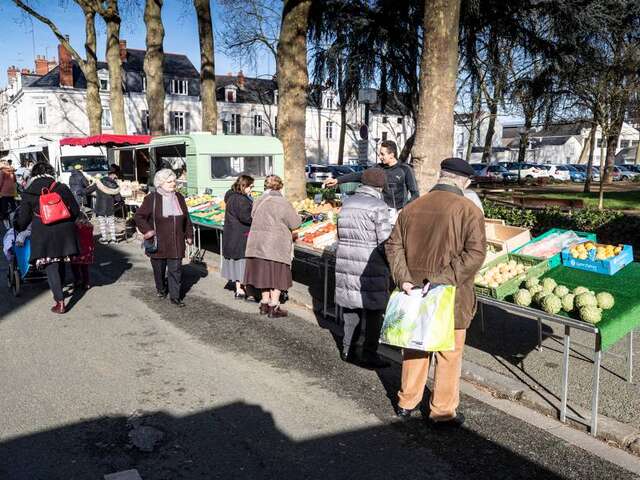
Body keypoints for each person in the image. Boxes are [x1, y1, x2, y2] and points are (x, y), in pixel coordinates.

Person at [385, 157, 486, 427]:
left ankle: (406, 403)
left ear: (441, 176)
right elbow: (475, 254)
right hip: (450, 295)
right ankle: (441, 411)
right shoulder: (468, 210)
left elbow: (392, 246)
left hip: (413, 293)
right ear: (463, 181)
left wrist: (404, 279)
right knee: (448, 353)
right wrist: (442, 280)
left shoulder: (411, 207)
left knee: (416, 347)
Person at [334, 168, 392, 369]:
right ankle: (369, 353)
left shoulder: (347, 204)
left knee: (351, 309)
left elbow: (339, 234)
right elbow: (385, 241)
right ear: (380, 186)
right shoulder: (379, 206)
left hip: (346, 261)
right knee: (374, 310)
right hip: (370, 265)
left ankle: (347, 349)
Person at [14, 162, 81, 314]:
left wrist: (18, 227)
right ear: (50, 172)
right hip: (65, 231)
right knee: (61, 260)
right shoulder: (61, 187)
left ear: (33, 174)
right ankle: (61, 290)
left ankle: (59, 301)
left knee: (51, 266)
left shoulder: (29, 192)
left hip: (43, 232)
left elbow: (23, 220)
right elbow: (76, 211)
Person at [244, 175, 301, 318]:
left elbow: (253, 216)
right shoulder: (283, 203)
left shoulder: (258, 200)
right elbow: (295, 223)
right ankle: (273, 306)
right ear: (280, 187)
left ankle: (264, 302)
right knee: (277, 275)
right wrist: (300, 216)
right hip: (276, 245)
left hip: (258, 244)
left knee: (264, 274)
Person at [134, 169, 193, 307]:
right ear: (160, 183)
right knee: (159, 270)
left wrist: (189, 234)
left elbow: (186, 218)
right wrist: (148, 231)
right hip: (158, 242)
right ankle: (161, 289)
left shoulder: (179, 197)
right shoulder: (152, 198)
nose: (174, 184)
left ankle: (175, 297)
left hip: (176, 242)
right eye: (170, 181)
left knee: (176, 270)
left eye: (174, 181)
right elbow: (139, 216)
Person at [323, 140, 419, 215]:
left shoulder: (405, 169)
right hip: (380, 211)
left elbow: (415, 194)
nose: (380, 157)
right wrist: (337, 180)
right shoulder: (377, 168)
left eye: (382, 154)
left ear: (391, 155)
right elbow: (359, 175)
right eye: (379, 154)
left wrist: (404, 210)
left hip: (399, 213)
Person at [222, 174, 254, 299]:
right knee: (242, 263)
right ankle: (244, 289)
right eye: (250, 186)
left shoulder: (231, 196)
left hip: (232, 235)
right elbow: (246, 217)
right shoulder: (241, 199)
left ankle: (238, 288)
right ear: (244, 186)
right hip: (241, 235)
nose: (251, 189)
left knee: (236, 263)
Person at [85, 165, 122, 244]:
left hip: (100, 206)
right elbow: (118, 199)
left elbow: (87, 191)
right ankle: (113, 239)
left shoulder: (99, 182)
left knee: (102, 223)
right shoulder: (115, 186)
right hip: (110, 207)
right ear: (113, 177)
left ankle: (104, 239)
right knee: (111, 223)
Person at [0, 160, 18, 228]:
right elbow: (15, 180)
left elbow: (0, 182)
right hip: (11, 191)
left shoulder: (2, 171)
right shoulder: (12, 171)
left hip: (4, 192)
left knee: (4, 207)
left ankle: (6, 222)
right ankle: (15, 219)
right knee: (13, 206)